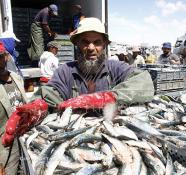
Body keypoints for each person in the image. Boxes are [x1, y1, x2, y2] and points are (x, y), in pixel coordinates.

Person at [2, 17, 154, 150]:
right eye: (85, 42)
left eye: (97, 42)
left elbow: (143, 81)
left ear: (105, 44)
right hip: (73, 141)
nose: (91, 48)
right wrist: (39, 106)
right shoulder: (65, 71)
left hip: (111, 138)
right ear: (77, 44)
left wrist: (109, 97)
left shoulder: (116, 68)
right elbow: (50, 94)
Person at [0, 42, 28, 175]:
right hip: (5, 145)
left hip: (24, 137)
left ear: (6, 57)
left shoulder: (16, 78)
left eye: (0, 57)